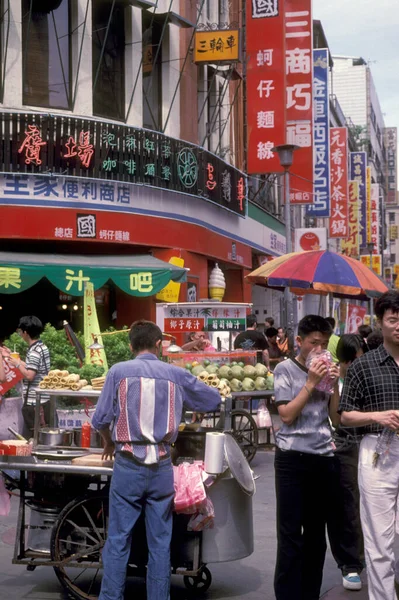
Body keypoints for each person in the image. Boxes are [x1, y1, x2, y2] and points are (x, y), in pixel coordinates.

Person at [92, 320, 220, 600]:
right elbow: (213, 400)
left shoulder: (118, 372)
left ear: (131, 346)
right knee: (160, 543)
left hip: (127, 463)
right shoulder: (176, 374)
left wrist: (108, 440)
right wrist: (183, 402)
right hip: (162, 464)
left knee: (118, 540)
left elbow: (99, 419)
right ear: (160, 345)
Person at [273, 315, 340, 600]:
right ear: (299, 342)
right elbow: (286, 415)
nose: (319, 349)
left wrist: (334, 385)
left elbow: (335, 417)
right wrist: (311, 381)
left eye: (324, 344)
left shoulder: (326, 371)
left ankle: (310, 593)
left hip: (323, 456)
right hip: (291, 459)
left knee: (316, 535)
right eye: (314, 343)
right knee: (290, 535)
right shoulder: (284, 369)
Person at [340, 290, 399, 600]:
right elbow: (345, 415)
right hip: (376, 451)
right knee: (379, 539)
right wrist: (379, 416)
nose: (398, 325)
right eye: (392, 320)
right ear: (381, 323)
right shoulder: (365, 366)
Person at [327, 334, 367, 591]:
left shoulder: (367, 377)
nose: (353, 366)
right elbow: (336, 418)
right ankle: (351, 564)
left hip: (370, 445)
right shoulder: (334, 382)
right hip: (341, 447)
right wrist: (333, 387)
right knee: (348, 507)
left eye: (358, 360)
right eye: (348, 361)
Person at [8, 316, 50, 437]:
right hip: (43, 399)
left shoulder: (34, 351)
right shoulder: (41, 347)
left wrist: (16, 364)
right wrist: (17, 360)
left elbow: (30, 375)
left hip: (35, 403)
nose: (20, 334)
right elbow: (33, 368)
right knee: (43, 437)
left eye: (21, 331)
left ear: (25, 333)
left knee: (35, 439)